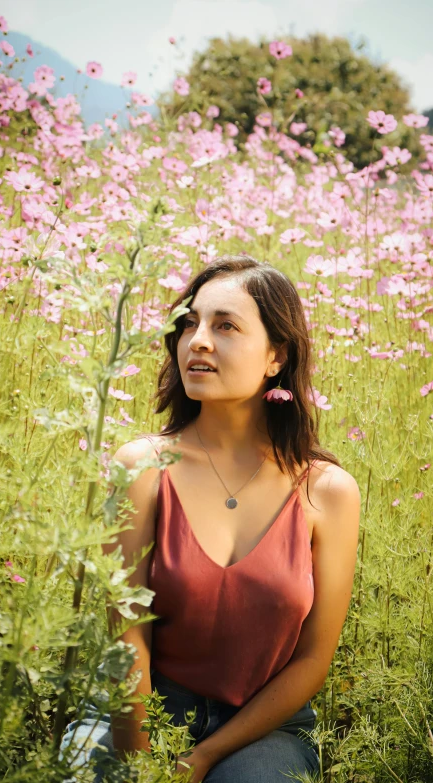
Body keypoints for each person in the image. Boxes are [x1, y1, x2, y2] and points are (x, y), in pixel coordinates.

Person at [60, 254, 361, 782]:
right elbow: (124, 636)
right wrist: (143, 764)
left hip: (264, 728)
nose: (197, 340)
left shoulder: (327, 492)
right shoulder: (142, 466)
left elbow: (314, 658)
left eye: (225, 326)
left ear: (276, 356)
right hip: (132, 713)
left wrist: (201, 758)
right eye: (188, 323)